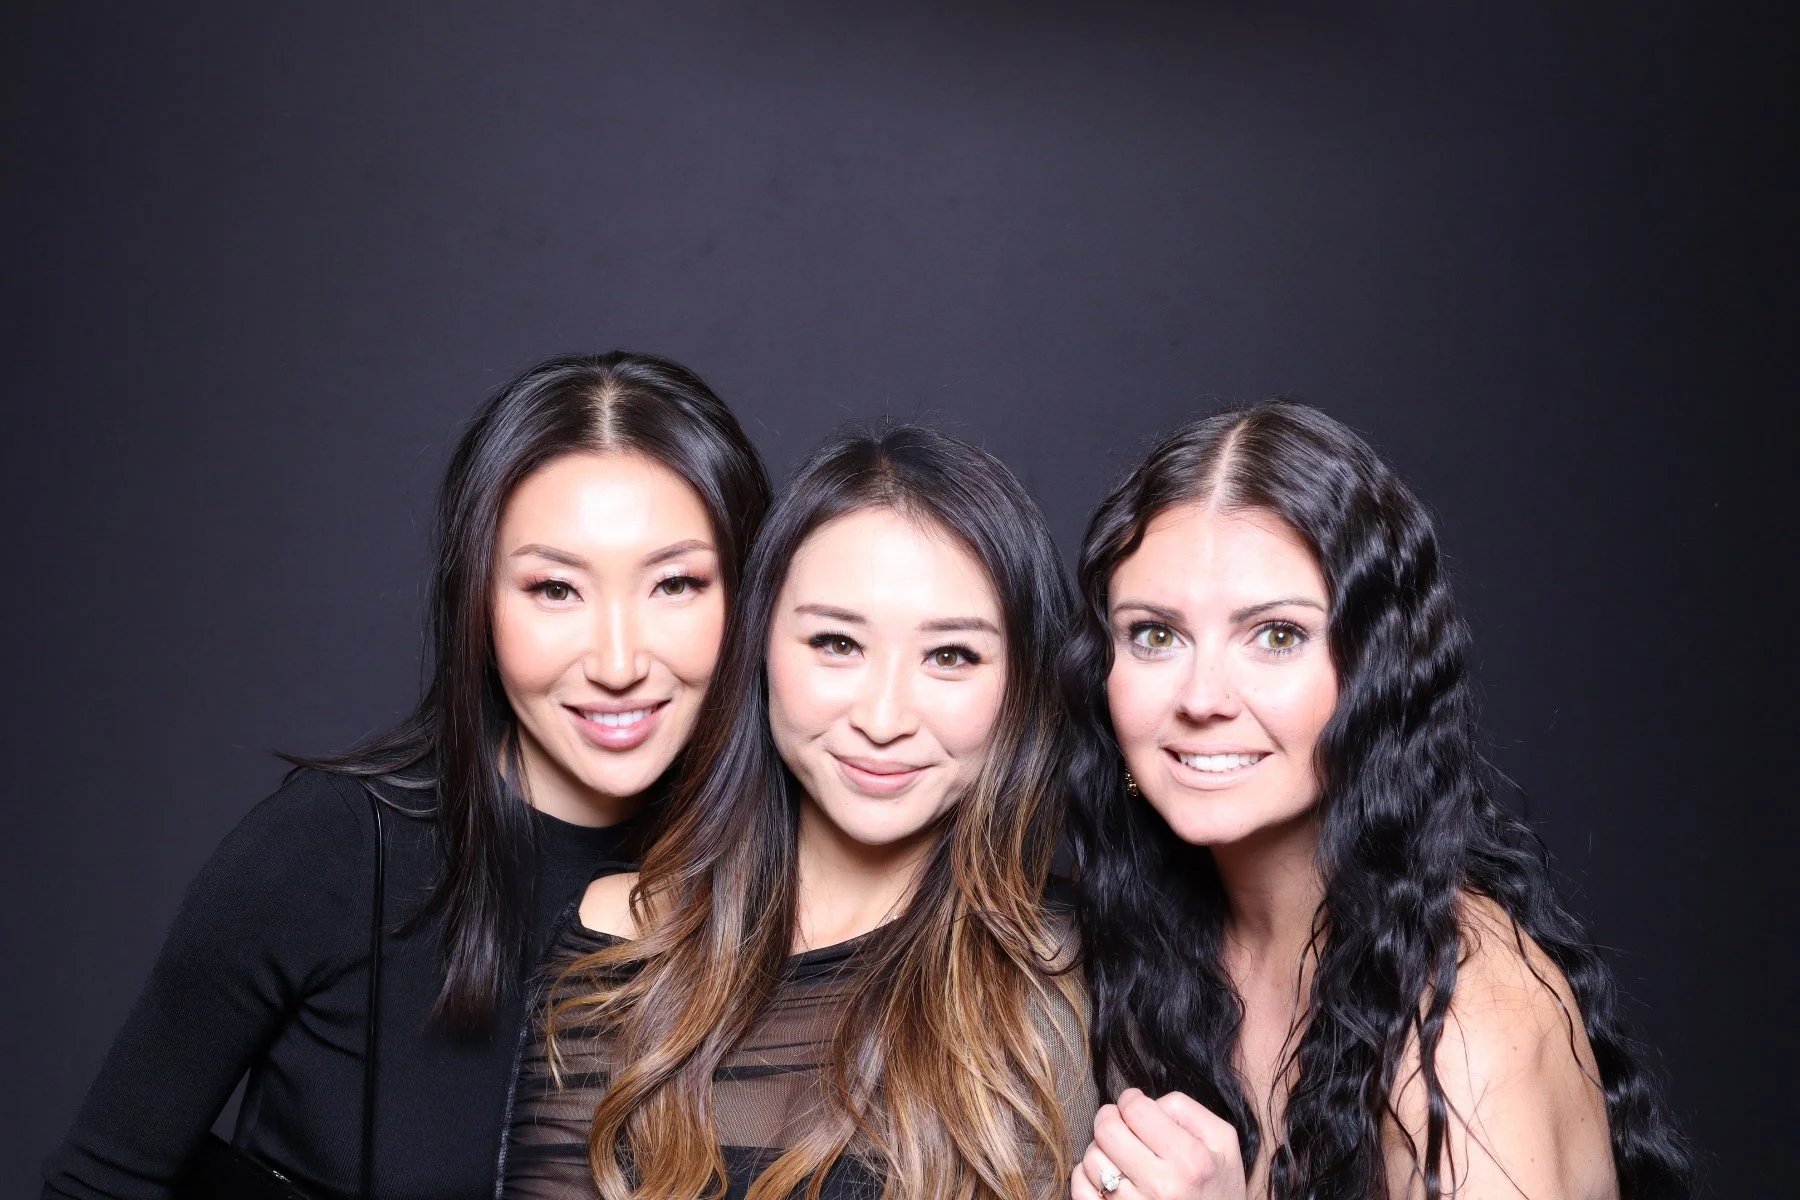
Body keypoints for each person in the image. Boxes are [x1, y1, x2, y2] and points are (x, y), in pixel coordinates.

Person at [43, 352, 772, 1200]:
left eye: (676, 583)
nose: (618, 661)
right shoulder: (333, 851)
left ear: (751, 598)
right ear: (478, 602)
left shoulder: (789, 876)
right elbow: (100, 1183)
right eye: (555, 589)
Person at [1062, 401, 1693, 1200]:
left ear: (1377, 673)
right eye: (1155, 634)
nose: (1202, 696)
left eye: (1277, 635)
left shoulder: (1464, 1023)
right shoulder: (1138, 942)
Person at [501, 425, 1094, 1200]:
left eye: (951, 655)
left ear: (1023, 683)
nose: (883, 717)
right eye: (837, 642)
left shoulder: (1071, 971)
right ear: (761, 647)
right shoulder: (619, 941)